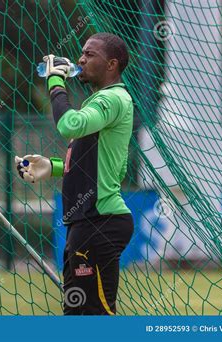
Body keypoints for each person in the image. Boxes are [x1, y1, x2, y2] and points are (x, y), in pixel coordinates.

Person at [15, 33, 134, 315]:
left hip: (100, 222)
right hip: (87, 223)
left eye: (90, 54)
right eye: (82, 53)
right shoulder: (100, 104)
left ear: (111, 65)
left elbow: (69, 125)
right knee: (77, 314)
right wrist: (52, 167)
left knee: (94, 316)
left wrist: (55, 83)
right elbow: (113, 167)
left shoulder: (112, 99)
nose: (80, 59)